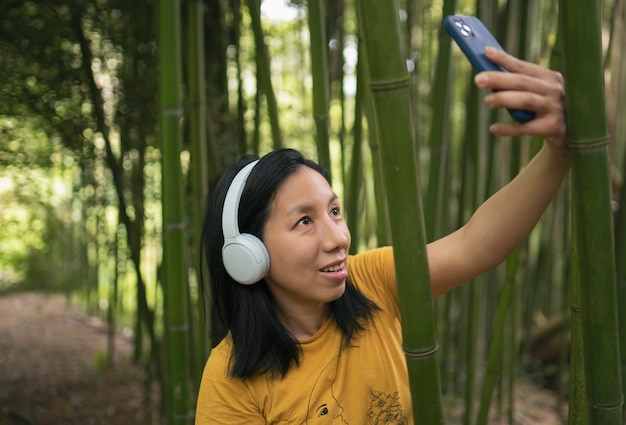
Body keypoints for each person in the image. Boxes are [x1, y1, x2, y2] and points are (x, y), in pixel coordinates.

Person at [195, 47, 570, 424]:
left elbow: (476, 245)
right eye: (304, 222)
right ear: (249, 253)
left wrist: (557, 152)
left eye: (334, 211)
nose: (338, 239)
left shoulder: (371, 280)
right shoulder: (230, 381)